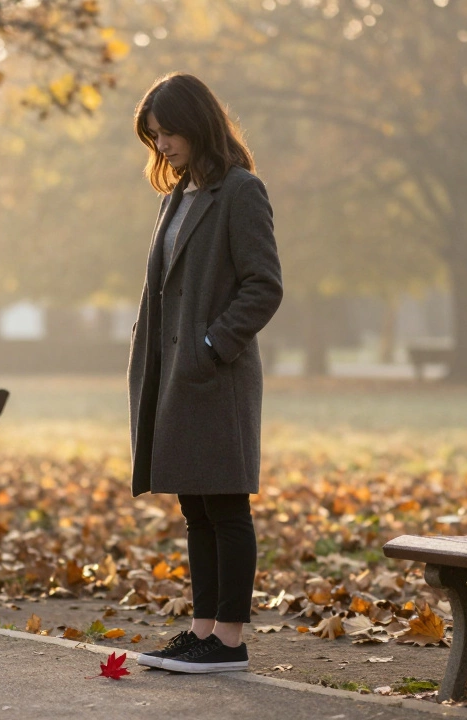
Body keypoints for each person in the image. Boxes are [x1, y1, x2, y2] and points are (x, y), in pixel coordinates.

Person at [126, 72, 283, 674]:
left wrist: (211, 345)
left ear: (197, 124)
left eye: (166, 132)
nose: (160, 146)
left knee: (225, 507)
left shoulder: (241, 191)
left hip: (215, 375)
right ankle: (202, 633)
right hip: (174, 377)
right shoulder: (177, 196)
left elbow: (263, 286)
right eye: (153, 136)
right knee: (195, 507)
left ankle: (231, 640)